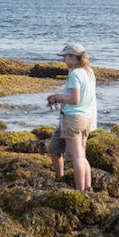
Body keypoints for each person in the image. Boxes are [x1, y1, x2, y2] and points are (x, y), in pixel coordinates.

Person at [46, 43, 97, 191]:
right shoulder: (89, 72)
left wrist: (58, 98)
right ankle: (88, 187)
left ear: (73, 57)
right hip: (86, 118)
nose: (63, 60)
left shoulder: (75, 74)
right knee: (81, 155)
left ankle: (81, 190)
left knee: (77, 157)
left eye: (65, 56)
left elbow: (75, 99)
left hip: (74, 118)